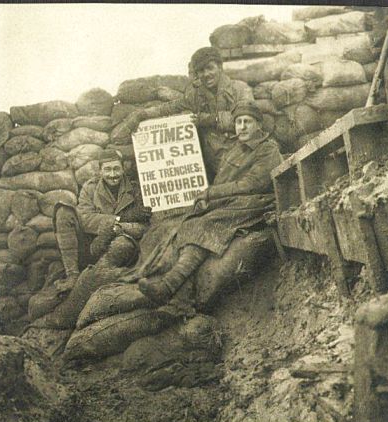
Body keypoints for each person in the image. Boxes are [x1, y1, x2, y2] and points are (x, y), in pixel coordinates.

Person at [136, 100, 283, 314]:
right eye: (238, 122)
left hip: (255, 202)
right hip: (234, 201)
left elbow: (254, 184)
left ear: (259, 125)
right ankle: (178, 296)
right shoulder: (236, 149)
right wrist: (209, 198)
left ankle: (169, 286)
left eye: (247, 122)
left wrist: (212, 194)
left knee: (206, 223)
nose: (241, 126)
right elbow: (224, 180)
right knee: (190, 222)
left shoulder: (267, 148)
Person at [128, 46, 254, 182]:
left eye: (210, 68)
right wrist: (142, 114)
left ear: (220, 67)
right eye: (201, 70)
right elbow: (171, 107)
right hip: (218, 162)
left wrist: (211, 119)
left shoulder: (239, 89)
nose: (206, 74)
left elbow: (249, 120)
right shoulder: (196, 95)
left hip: (244, 157)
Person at [53, 149, 151, 291]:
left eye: (117, 169)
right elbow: (85, 218)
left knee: (122, 245)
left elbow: (144, 224)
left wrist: (120, 226)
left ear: (123, 169)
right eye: (108, 169)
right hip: (92, 245)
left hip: (120, 246)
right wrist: (121, 218)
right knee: (64, 211)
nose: (113, 174)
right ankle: (72, 275)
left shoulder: (135, 189)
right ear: (100, 171)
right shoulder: (90, 188)